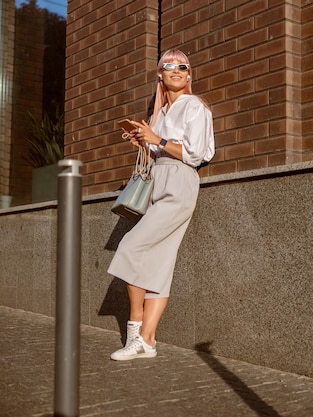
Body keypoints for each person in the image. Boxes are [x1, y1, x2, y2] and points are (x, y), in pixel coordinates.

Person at [107, 49, 215, 361]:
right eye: (169, 66)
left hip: (181, 183)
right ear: (160, 75)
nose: (177, 70)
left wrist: (158, 140)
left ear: (190, 74)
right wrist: (143, 143)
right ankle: (147, 340)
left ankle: (134, 330)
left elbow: (199, 154)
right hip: (159, 182)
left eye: (183, 66)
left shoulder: (194, 106)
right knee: (158, 264)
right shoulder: (160, 112)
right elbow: (157, 153)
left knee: (130, 246)